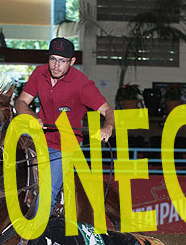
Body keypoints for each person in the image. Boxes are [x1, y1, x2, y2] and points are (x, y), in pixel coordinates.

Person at [14, 37, 115, 217]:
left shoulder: (82, 85)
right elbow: (21, 102)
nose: (56, 65)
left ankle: (36, 231)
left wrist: (108, 127)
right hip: (36, 140)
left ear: (72, 62)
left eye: (62, 61)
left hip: (63, 146)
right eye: (53, 59)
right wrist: (32, 116)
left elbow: (108, 110)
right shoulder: (39, 73)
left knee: (47, 193)